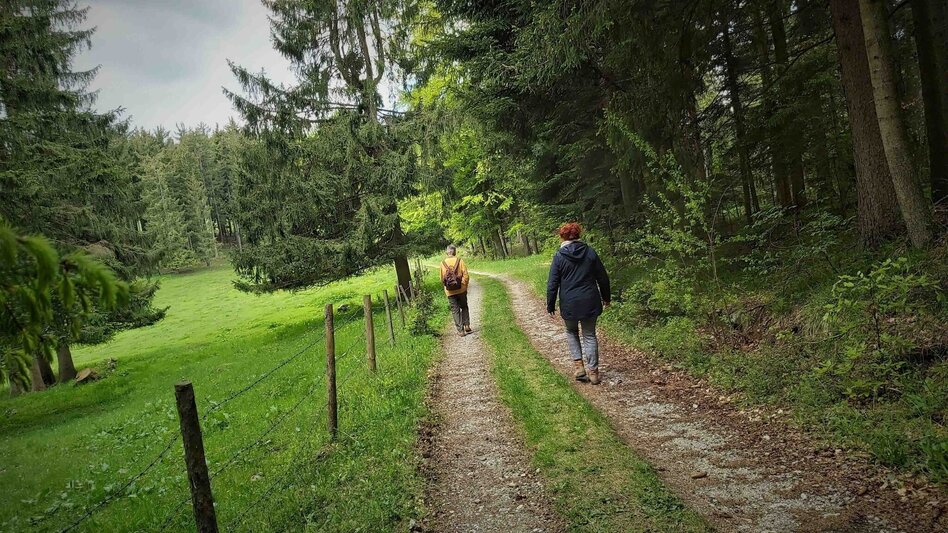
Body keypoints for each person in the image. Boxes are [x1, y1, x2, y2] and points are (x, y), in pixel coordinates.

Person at [546, 222, 611, 385]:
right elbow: (602, 277)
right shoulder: (590, 252)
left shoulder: (559, 256)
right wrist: (606, 297)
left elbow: (552, 283)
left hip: (570, 302)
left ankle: (579, 367)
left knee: (571, 331)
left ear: (562, 237)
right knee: (589, 335)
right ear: (578, 235)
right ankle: (594, 373)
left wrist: (550, 304)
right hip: (590, 300)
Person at [440, 244, 471, 337]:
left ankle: (460, 331)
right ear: (455, 251)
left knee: (455, 310)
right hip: (461, 289)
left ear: (447, 252)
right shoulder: (460, 261)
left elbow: (442, 279)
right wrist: (464, 285)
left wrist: (447, 287)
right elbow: (466, 275)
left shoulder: (442, 263)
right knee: (464, 306)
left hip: (450, 291)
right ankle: (467, 325)